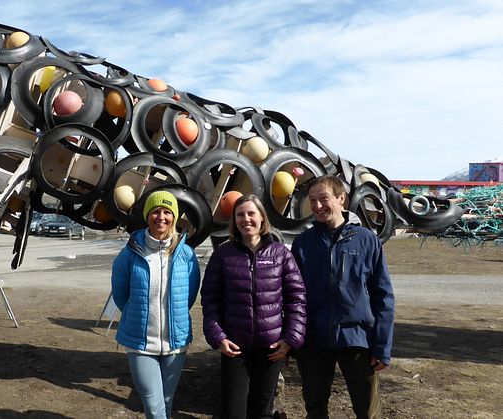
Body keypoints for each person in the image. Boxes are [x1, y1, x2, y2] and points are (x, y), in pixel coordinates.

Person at [291, 175, 395, 419]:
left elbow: (384, 296)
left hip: (357, 340)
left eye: (324, 199)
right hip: (313, 341)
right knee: (315, 408)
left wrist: (382, 346)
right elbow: (292, 296)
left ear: (341, 198)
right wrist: (293, 339)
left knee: (367, 410)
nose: (317, 206)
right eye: (312, 201)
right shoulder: (303, 244)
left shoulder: (367, 240)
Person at [201, 194, 307, 419]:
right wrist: (218, 336)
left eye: (251, 213)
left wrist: (290, 340)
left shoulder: (280, 254)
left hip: (272, 349)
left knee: (262, 411)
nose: (246, 219)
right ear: (234, 220)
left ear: (262, 218)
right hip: (235, 348)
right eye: (240, 214)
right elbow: (211, 300)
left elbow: (296, 298)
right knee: (233, 411)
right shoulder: (223, 254)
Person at [111, 190, 201, 419]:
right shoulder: (130, 253)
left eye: (167, 212)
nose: (161, 217)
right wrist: (137, 314)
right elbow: (121, 295)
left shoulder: (186, 255)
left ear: (174, 217)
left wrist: (174, 314)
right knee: (153, 407)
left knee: (166, 405)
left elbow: (188, 296)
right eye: (155, 211)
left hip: (175, 342)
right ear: (147, 215)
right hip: (140, 342)